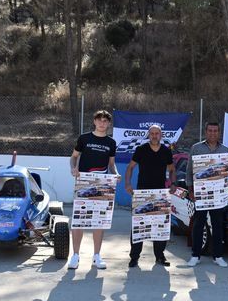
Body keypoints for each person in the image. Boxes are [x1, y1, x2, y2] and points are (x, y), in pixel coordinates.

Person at [68, 110, 120, 270]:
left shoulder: (111, 143)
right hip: (84, 183)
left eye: (105, 121)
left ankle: (97, 256)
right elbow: (74, 156)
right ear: (95, 121)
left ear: (109, 124)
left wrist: (116, 174)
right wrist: (73, 168)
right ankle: (75, 256)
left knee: (99, 222)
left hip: (103, 185)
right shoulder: (84, 138)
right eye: (100, 120)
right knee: (79, 221)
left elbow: (111, 164)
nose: (102, 123)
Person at [186, 122, 228, 268]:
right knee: (198, 225)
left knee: (217, 226)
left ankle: (218, 256)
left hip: (218, 195)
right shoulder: (196, 148)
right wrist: (190, 190)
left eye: (215, 131)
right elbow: (189, 170)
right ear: (206, 132)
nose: (212, 133)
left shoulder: (225, 150)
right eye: (210, 130)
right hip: (200, 194)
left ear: (219, 132)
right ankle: (195, 255)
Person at [124, 125, 176, 268]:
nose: (154, 136)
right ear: (149, 135)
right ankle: (134, 257)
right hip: (142, 193)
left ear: (161, 135)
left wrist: (173, 183)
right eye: (152, 133)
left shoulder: (166, 151)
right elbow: (130, 168)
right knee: (139, 226)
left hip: (160, 194)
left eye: (157, 133)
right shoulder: (141, 150)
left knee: (160, 226)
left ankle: (160, 256)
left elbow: (172, 169)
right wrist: (127, 183)